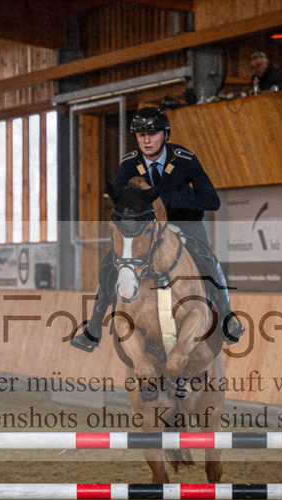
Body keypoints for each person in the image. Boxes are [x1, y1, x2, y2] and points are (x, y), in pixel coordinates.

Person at [70, 106, 245, 353]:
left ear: (165, 134)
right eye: (141, 135)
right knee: (111, 262)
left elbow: (211, 200)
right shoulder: (129, 164)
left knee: (207, 258)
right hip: (146, 228)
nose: (146, 140)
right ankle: (94, 327)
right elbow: (119, 200)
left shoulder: (184, 159)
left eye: (152, 134)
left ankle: (227, 317)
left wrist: (172, 200)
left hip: (184, 224)